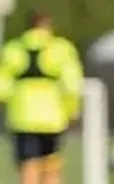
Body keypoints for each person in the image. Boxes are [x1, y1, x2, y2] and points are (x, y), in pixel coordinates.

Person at [0, 11, 84, 184]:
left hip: (22, 117)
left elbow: (3, 86)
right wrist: (72, 109)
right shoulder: (61, 49)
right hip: (53, 117)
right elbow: (71, 84)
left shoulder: (12, 49)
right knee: (51, 164)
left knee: (28, 164)